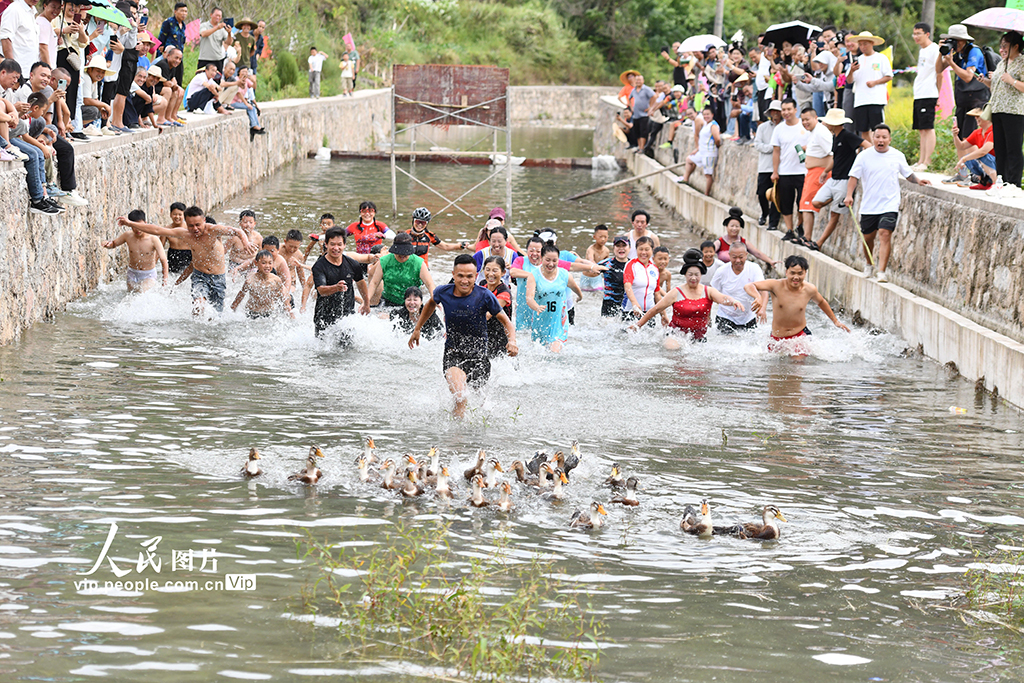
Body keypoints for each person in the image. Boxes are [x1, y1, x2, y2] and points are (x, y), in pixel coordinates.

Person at [409, 254, 518, 419]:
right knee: (461, 396)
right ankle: (455, 437)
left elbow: (507, 321)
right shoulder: (442, 292)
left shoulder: (485, 295)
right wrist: (417, 329)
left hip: (479, 356)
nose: (465, 281)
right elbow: (431, 304)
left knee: (478, 407)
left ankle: (470, 437)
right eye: (460, 275)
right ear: (453, 274)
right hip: (454, 352)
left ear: (476, 276)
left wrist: (512, 341)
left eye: (469, 276)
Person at [118, 206, 253, 314]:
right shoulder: (184, 234)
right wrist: (130, 223)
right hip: (199, 276)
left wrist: (246, 243)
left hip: (218, 277)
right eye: (191, 225)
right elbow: (157, 230)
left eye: (198, 225)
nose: (194, 229)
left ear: (204, 220)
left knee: (216, 315)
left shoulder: (213, 230)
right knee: (198, 307)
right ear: (186, 224)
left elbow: (237, 231)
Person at [845, 124, 931, 282]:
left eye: (884, 137)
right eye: (877, 136)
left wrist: (918, 181)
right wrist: (849, 195)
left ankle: (882, 272)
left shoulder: (897, 155)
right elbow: (853, 177)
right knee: (867, 238)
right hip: (869, 205)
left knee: (885, 234)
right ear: (872, 137)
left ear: (890, 139)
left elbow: (908, 174)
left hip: (889, 204)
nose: (880, 140)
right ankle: (869, 264)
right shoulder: (863, 156)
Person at [630, 248, 744, 347]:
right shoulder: (676, 292)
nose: (693, 278)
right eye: (690, 274)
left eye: (696, 275)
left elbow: (722, 298)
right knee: (672, 350)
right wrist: (638, 325)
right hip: (676, 335)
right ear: (685, 275)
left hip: (699, 337)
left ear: (701, 275)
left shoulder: (708, 291)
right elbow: (656, 309)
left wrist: (734, 301)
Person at [744, 254, 849, 354]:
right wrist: (758, 297)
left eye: (800, 274)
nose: (796, 277)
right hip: (777, 337)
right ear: (786, 272)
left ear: (805, 273)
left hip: (799, 335)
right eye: (792, 273)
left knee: (798, 363)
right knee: (775, 370)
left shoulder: (809, 289)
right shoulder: (775, 285)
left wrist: (835, 321)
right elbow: (749, 286)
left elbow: (821, 302)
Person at [811, 109, 871, 249]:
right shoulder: (835, 137)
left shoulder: (847, 136)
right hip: (834, 178)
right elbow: (835, 157)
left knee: (834, 215)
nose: (825, 124)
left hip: (844, 180)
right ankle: (836, 199)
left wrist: (861, 164)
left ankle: (819, 243)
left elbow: (867, 145)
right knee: (816, 202)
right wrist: (826, 171)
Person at [311, 227, 370, 339]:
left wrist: (366, 303)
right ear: (326, 244)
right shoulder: (319, 266)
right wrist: (336, 288)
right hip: (324, 316)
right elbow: (321, 290)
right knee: (324, 353)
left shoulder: (352, 264)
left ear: (344, 245)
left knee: (348, 351)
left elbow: (361, 283)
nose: (336, 248)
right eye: (332, 244)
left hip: (347, 317)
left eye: (339, 244)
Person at [984, 31, 1024, 189]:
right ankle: (1001, 180)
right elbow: (998, 86)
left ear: (1015, 46)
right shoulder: (1002, 63)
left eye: (1005, 46)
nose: (1001, 49)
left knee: (1013, 148)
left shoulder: (1022, 62)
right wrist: (986, 81)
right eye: (1000, 46)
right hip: (998, 109)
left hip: (1014, 111)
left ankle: (1014, 183)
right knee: (1000, 147)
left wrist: (1012, 80)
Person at [939, 24, 989, 140]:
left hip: (976, 98)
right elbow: (938, 69)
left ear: (964, 40)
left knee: (970, 136)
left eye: (957, 40)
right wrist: (941, 52)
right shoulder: (957, 54)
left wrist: (951, 63)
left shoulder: (974, 52)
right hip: (963, 98)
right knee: (960, 133)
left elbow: (968, 77)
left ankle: (974, 158)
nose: (956, 44)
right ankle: (964, 158)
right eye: (952, 40)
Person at [527, 243, 579, 352]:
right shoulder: (534, 275)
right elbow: (529, 298)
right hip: (540, 321)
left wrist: (580, 296)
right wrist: (536, 307)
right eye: (548, 260)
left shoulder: (564, 275)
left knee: (554, 352)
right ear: (541, 258)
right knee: (539, 353)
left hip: (559, 323)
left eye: (554, 260)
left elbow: (574, 286)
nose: (551, 264)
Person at [102, 209, 169, 292]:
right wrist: (107, 244)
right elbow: (114, 244)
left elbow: (164, 260)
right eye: (134, 226)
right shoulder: (127, 236)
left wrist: (165, 281)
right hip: (132, 273)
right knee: (131, 296)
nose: (138, 230)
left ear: (145, 223)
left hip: (148, 274)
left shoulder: (153, 239)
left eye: (139, 226)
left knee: (142, 293)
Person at [770, 98, 809, 241]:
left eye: (789, 109)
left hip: (803, 171)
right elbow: (776, 151)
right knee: (786, 203)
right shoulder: (779, 129)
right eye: (783, 110)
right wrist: (775, 171)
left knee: (801, 202)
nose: (786, 113)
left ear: (795, 110)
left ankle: (800, 226)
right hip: (785, 171)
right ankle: (789, 229)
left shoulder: (804, 126)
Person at [710, 241, 768, 334]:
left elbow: (764, 290)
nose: (738, 260)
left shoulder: (754, 268)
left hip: (748, 316)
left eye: (741, 257)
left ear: (746, 255)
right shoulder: (721, 271)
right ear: (729, 255)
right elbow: (711, 294)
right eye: (734, 257)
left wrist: (763, 308)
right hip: (726, 315)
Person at [796, 106, 834, 248]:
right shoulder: (814, 131)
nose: (805, 122)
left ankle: (807, 237)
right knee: (805, 205)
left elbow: (831, 153)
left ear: (815, 118)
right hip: (813, 172)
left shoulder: (820, 131)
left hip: (819, 172)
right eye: (803, 120)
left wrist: (825, 171)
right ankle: (806, 236)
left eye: (808, 119)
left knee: (807, 205)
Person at [367, 233, 435, 307]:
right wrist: (366, 301)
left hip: (412, 302)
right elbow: (374, 283)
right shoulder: (385, 261)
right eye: (399, 253)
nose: (402, 256)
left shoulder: (419, 263)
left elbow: (430, 284)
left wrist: (434, 300)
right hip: (388, 301)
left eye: (405, 254)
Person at [849, 32, 892, 142]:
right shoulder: (857, 60)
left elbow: (889, 76)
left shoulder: (881, 58)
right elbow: (849, 80)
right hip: (860, 100)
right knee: (863, 130)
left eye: (865, 44)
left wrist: (875, 82)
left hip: (876, 99)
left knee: (877, 129)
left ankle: (879, 148)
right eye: (861, 44)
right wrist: (851, 70)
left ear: (872, 43)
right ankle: (869, 150)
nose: (863, 47)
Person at [911, 23, 941, 170]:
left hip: (929, 93)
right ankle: (920, 160)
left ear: (927, 34)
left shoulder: (934, 49)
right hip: (919, 93)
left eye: (918, 33)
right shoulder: (922, 50)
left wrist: (939, 94)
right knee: (921, 128)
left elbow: (940, 72)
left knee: (928, 127)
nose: (915, 37)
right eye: (914, 34)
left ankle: (927, 162)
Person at [231, 250, 293, 319]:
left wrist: (291, 315)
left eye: (270, 263)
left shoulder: (276, 280)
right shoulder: (250, 280)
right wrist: (232, 310)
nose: (267, 266)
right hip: (252, 312)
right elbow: (241, 295)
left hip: (269, 312)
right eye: (263, 263)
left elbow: (284, 298)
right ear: (256, 263)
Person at [754, 99, 782, 229]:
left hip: (781, 167)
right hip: (765, 166)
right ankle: (765, 213)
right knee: (762, 193)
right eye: (773, 111)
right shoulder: (763, 127)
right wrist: (773, 148)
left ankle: (773, 222)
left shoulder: (784, 127)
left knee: (777, 195)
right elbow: (757, 144)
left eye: (778, 111)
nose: (775, 113)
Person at [951, 108, 996, 188]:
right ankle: (983, 181)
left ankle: (995, 183)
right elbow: (961, 146)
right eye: (975, 116)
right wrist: (955, 136)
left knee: (980, 156)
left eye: (979, 116)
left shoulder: (993, 131)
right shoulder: (977, 132)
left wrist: (964, 158)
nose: (976, 118)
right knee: (969, 158)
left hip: (995, 163)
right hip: (987, 163)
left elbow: (983, 151)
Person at [680, 107, 720, 194]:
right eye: (704, 114)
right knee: (689, 159)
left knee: (708, 174)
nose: (706, 116)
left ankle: (706, 193)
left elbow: (717, 139)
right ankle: (685, 178)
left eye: (708, 114)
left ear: (712, 115)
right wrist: (697, 149)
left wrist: (714, 147)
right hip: (702, 151)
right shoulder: (706, 124)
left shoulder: (713, 125)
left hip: (709, 152)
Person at [480, 256, 513, 357]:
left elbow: (487, 315)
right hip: (483, 335)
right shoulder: (482, 285)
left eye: (495, 271)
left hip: (500, 340)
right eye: (488, 270)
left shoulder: (504, 293)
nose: (490, 274)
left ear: (503, 273)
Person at [623, 235, 661, 320]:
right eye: (640, 249)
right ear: (636, 250)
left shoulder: (654, 269)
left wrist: (663, 315)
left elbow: (657, 294)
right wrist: (634, 303)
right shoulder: (631, 265)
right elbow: (627, 285)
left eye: (647, 249)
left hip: (650, 313)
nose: (643, 252)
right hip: (631, 311)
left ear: (652, 250)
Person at [0, 0, 39, 76]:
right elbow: (5, 39)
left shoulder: (32, 11)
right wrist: (12, 68)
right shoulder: (14, 9)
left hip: (29, 70)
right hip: (17, 71)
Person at [600, 235, 630, 317]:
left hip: (627, 304)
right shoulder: (607, 264)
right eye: (618, 246)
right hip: (609, 304)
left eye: (624, 246)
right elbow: (590, 268)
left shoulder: (634, 265)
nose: (621, 248)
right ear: (613, 248)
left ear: (629, 248)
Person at [197, 7, 231, 71]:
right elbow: (203, 34)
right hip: (204, 59)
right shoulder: (204, 25)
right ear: (211, 15)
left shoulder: (222, 28)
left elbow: (229, 43)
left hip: (218, 60)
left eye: (220, 16)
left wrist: (229, 33)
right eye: (216, 15)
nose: (218, 17)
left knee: (217, 80)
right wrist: (217, 28)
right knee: (202, 79)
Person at [629, 73, 656, 152]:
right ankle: (639, 146)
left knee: (643, 131)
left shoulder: (646, 89)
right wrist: (631, 108)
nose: (638, 82)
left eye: (640, 80)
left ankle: (642, 147)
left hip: (644, 114)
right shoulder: (633, 90)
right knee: (637, 131)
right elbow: (629, 98)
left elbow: (654, 96)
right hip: (636, 115)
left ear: (643, 81)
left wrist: (650, 107)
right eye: (637, 80)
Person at [162, 202, 191, 274]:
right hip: (173, 256)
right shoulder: (166, 230)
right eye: (174, 214)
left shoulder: (189, 229)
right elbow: (160, 248)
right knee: (173, 279)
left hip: (188, 255)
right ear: (170, 215)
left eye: (180, 214)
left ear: (184, 215)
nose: (177, 217)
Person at [580, 224, 609, 291]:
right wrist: (597, 266)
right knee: (585, 296)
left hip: (597, 278)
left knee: (599, 294)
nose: (603, 239)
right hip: (586, 278)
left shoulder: (606, 251)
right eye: (600, 237)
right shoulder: (591, 249)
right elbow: (591, 260)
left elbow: (607, 263)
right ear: (594, 237)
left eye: (605, 237)